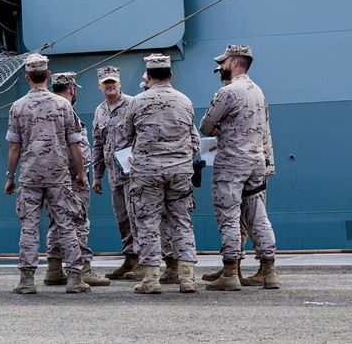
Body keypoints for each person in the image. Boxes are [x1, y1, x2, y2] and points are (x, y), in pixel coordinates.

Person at [4, 54, 91, 294]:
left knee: (29, 226)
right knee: (66, 224)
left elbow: (14, 147)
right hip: (59, 175)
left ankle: (27, 280)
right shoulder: (63, 105)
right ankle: (75, 278)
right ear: (48, 75)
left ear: (27, 77)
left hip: (30, 175)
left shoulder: (18, 106)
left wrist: (10, 176)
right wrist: (81, 174)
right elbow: (75, 144)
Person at [200, 45, 280, 291]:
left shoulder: (228, 92)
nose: (221, 67)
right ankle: (269, 270)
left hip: (232, 163)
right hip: (256, 162)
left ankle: (230, 271)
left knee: (229, 215)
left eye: (224, 63)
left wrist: (215, 127)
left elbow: (206, 125)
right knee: (258, 215)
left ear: (234, 62)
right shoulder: (258, 91)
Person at [124, 54, 200, 294]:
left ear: (147, 76)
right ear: (171, 74)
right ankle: (187, 279)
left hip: (147, 173)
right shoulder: (185, 101)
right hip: (180, 171)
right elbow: (194, 139)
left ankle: (151, 279)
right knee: (182, 222)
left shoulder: (136, 102)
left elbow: (127, 137)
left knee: (148, 223)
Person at [44, 72, 110, 287]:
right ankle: (83, 269)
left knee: (57, 221)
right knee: (78, 221)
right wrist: (81, 173)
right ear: (72, 90)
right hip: (72, 178)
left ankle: (54, 268)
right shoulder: (68, 112)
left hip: (51, 176)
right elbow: (77, 148)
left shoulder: (46, 111)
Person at [91, 65, 141, 280]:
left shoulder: (133, 104)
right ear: (99, 86)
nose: (110, 85)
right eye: (105, 83)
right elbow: (98, 143)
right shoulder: (100, 111)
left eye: (113, 81)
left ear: (120, 83)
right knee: (122, 217)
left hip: (134, 173)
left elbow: (142, 135)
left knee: (137, 215)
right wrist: (97, 174)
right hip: (114, 174)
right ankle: (130, 258)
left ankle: (144, 261)